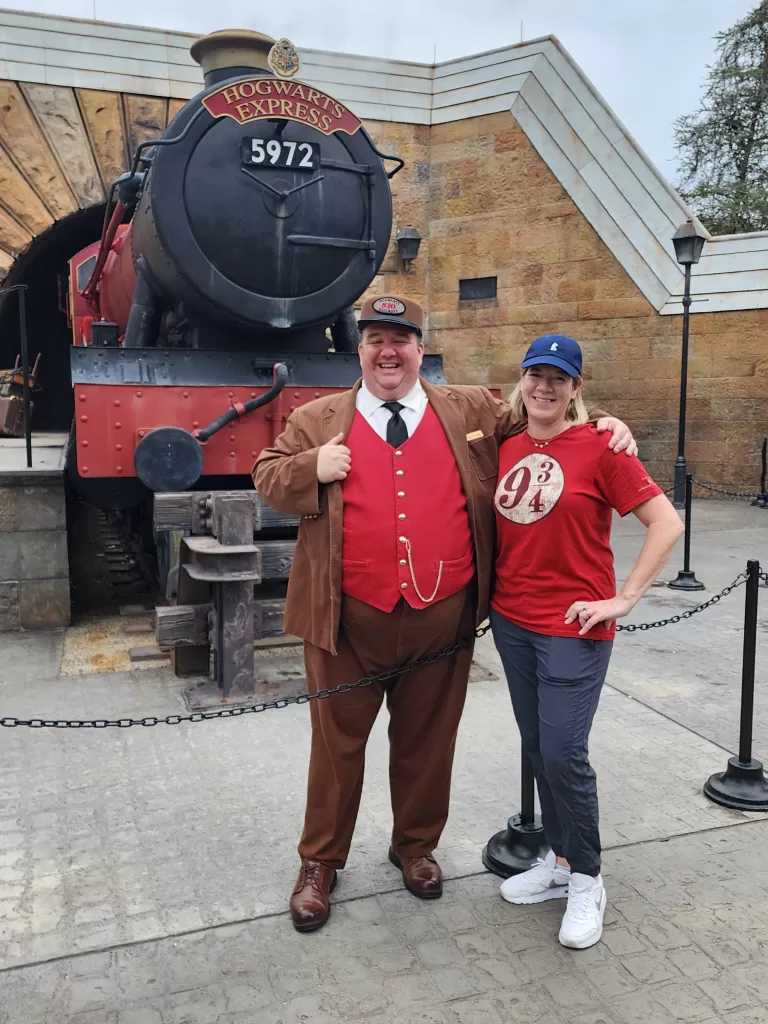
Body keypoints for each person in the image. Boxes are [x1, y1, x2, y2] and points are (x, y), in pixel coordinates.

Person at [253, 296, 637, 933]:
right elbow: (267, 475)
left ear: (419, 350)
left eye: (401, 340)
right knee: (336, 747)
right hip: (345, 622)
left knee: (428, 744)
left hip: (440, 618)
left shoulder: (469, 410)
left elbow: (543, 407)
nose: (388, 352)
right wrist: (309, 469)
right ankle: (320, 862)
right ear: (360, 350)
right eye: (376, 339)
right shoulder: (319, 417)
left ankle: (416, 847)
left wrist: (604, 421)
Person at [489, 333, 683, 949]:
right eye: (534, 375)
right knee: (538, 747)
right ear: (522, 380)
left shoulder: (602, 446)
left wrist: (624, 598)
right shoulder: (506, 442)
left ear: (576, 386)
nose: (543, 387)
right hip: (512, 621)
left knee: (564, 753)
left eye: (558, 377)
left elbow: (666, 522)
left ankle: (588, 879)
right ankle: (561, 861)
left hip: (576, 626)